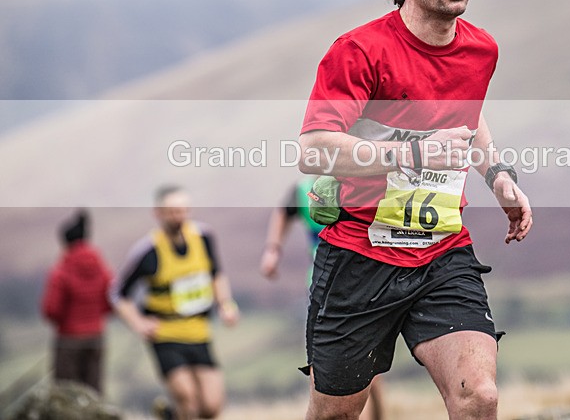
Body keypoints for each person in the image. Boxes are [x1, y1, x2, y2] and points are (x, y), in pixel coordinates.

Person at [296, 0, 532, 420]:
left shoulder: (481, 50)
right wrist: (413, 153)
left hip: (442, 251)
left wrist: (498, 178)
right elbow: (313, 150)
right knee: (337, 413)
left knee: (479, 396)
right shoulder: (358, 52)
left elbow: (469, 120)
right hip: (360, 254)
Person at [259, 177, 385, 420]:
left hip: (367, 285)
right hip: (322, 288)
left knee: (371, 376)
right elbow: (283, 212)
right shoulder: (304, 189)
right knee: (333, 374)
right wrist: (273, 249)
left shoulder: (364, 180)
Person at [109, 185, 239, 420]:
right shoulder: (147, 251)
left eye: (182, 210)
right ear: (157, 213)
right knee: (187, 398)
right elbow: (118, 293)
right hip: (166, 334)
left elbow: (216, 274)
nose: (178, 216)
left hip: (199, 331)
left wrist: (226, 305)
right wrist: (138, 324)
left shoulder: (204, 237)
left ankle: (168, 415)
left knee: (211, 406)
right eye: (172, 211)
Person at [41, 209, 113, 394]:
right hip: (96, 338)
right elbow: (111, 302)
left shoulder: (61, 272)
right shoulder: (103, 270)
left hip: (68, 340)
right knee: (93, 394)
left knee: (66, 395)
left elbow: (51, 310)